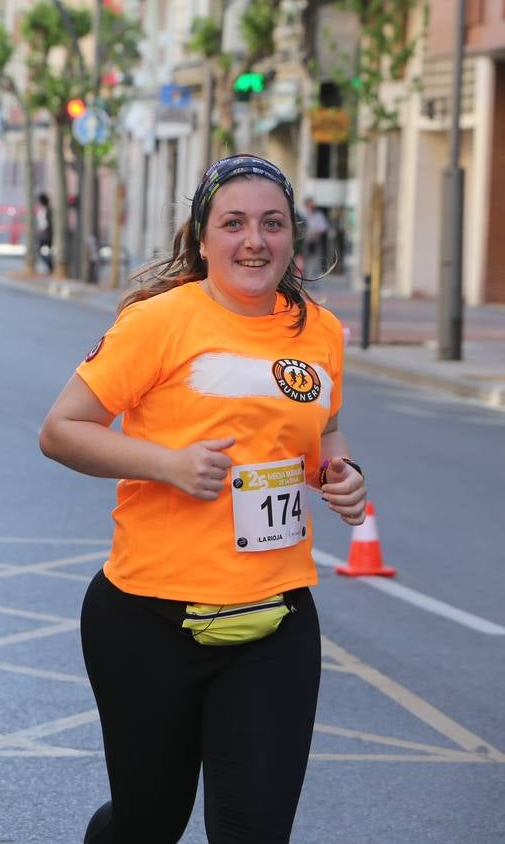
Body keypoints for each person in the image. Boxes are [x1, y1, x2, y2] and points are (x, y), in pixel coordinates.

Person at [37, 154, 367, 844]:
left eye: (272, 224)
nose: (255, 240)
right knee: (149, 820)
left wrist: (338, 473)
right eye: (235, 223)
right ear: (203, 236)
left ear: (292, 236)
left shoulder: (322, 333)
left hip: (274, 620)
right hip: (147, 619)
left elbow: (320, 434)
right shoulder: (158, 323)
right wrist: (168, 465)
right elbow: (62, 431)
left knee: (254, 830)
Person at [301, 196, 329, 273]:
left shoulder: (318, 215)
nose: (312, 206)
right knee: (303, 263)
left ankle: (313, 281)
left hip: (315, 243)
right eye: (311, 204)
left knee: (315, 263)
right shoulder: (302, 214)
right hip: (303, 243)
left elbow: (323, 228)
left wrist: (314, 234)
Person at [35, 192, 54, 273]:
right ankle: (50, 266)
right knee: (44, 252)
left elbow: (45, 225)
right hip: (45, 235)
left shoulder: (46, 211)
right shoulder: (45, 210)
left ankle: (51, 266)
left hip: (46, 235)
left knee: (42, 251)